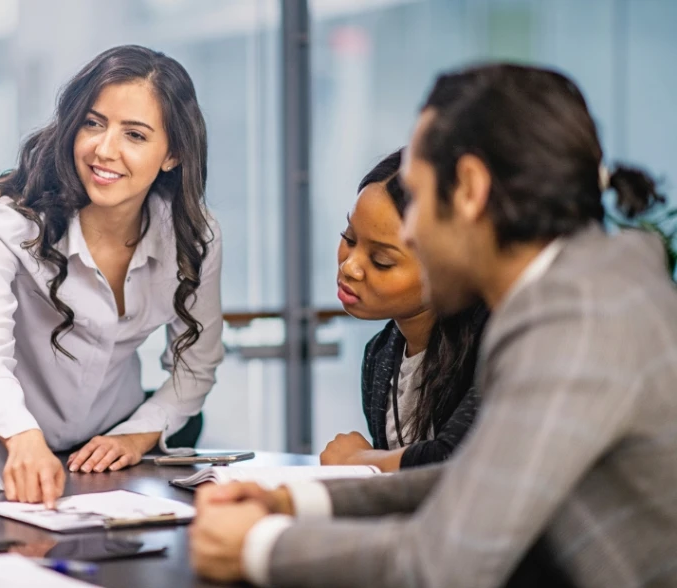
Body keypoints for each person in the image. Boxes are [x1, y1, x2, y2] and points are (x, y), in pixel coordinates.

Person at [190, 63, 677, 587]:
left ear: (469, 188)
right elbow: (476, 482)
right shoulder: (585, 285)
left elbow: (445, 564)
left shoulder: (579, 317)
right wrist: (294, 499)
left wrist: (258, 546)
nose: (412, 232)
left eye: (417, 198)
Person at [0, 44, 224, 507]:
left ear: (173, 155)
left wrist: (135, 435)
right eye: (93, 123)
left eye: (135, 134)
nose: (104, 150)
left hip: (106, 448)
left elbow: (197, 364)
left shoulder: (193, 236)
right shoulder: (5, 226)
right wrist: (22, 436)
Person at [321, 149, 487, 472]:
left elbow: (456, 462)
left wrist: (359, 460)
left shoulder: (491, 344)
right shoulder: (380, 356)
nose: (350, 267)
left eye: (382, 260)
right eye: (349, 238)